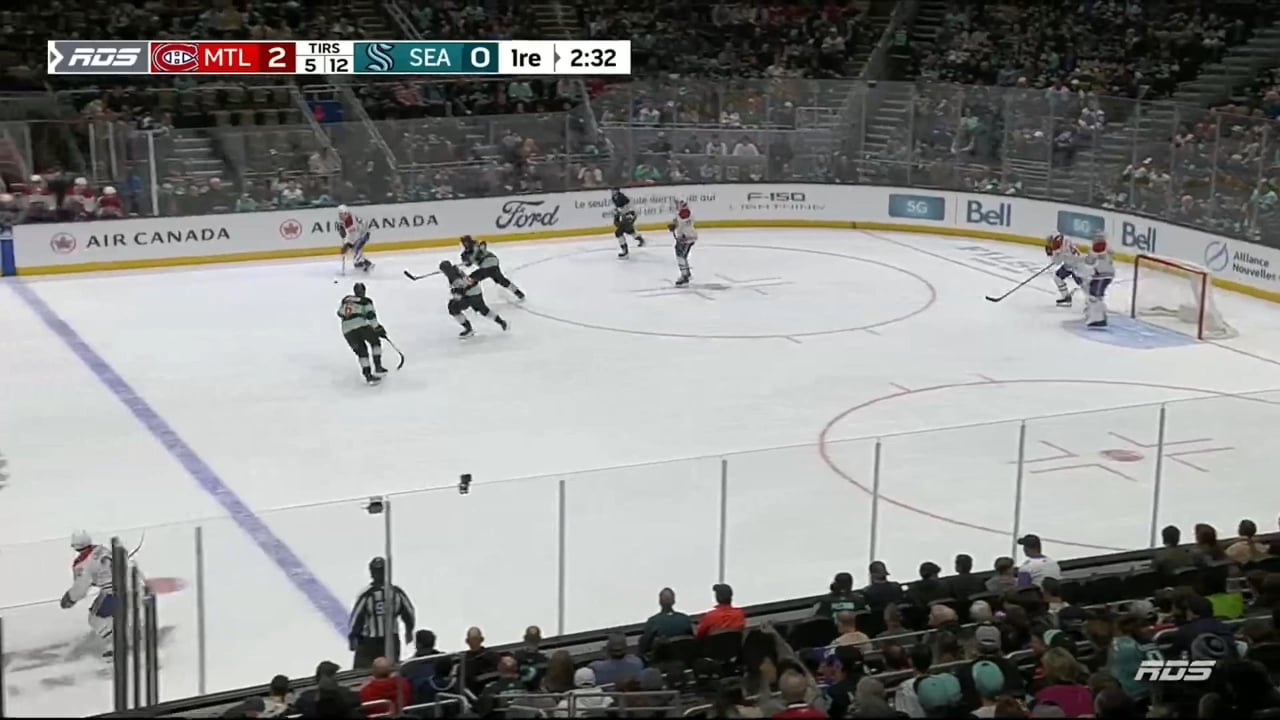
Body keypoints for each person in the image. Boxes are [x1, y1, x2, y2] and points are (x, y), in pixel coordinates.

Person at [347, 557, 416, 668]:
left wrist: (353, 636)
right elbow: (409, 613)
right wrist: (409, 630)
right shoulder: (396, 592)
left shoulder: (367, 594)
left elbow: (356, 618)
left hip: (370, 642)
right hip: (391, 639)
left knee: (364, 671)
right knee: (390, 669)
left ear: (371, 573)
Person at [59, 531, 118, 658]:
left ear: (74, 546)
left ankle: (116, 644)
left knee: (95, 619)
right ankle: (132, 632)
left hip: (111, 591)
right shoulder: (102, 549)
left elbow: (81, 587)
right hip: (131, 584)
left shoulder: (82, 564)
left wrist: (70, 598)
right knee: (112, 614)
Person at [439, 260, 509, 337]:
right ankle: (501, 322)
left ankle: (468, 329)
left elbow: (461, 289)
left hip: (470, 295)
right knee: (483, 310)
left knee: (453, 307)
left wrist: (455, 295)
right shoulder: (456, 270)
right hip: (477, 291)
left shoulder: (453, 276)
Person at [337, 282, 389, 384]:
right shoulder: (366, 301)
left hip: (346, 329)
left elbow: (339, 313)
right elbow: (370, 315)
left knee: (361, 352)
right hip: (361, 325)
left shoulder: (346, 299)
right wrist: (377, 328)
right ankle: (378, 366)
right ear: (364, 291)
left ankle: (368, 375)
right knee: (375, 342)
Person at [461, 235, 525, 300]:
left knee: (470, 280)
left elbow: (483, 244)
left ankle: (465, 297)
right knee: (501, 280)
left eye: (467, 242)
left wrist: (476, 251)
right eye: (464, 242)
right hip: (491, 265)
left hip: (489, 263)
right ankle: (518, 292)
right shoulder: (465, 254)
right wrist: (467, 261)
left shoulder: (476, 245)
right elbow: (468, 264)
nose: (466, 244)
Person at [640, 587, 695, 656]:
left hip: (663, 660)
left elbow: (644, 647)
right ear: (674, 601)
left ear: (660, 602)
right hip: (686, 659)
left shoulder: (653, 621)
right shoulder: (685, 619)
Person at [1080, 232, 1115, 328]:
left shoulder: (1095, 249)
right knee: (1096, 296)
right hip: (1106, 274)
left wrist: (1087, 259)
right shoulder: (1108, 248)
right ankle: (1100, 316)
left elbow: (1089, 262)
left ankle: (1098, 319)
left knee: (1095, 297)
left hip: (1101, 275)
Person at [1044, 232, 1083, 307]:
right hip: (1074, 263)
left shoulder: (1057, 246)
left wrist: (1051, 254)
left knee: (1083, 284)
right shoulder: (1065, 239)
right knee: (1057, 277)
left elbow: (1057, 262)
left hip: (1075, 266)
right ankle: (1066, 298)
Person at [668, 199, 697, 287]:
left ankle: (685, 276)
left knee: (680, 256)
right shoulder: (688, 212)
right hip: (689, 236)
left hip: (685, 237)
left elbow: (682, 219)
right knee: (682, 256)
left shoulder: (683, 213)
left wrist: (674, 225)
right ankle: (686, 273)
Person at [612, 187, 647, 258]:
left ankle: (625, 252)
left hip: (630, 215)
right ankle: (640, 239)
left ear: (617, 191)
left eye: (614, 190)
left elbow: (624, 208)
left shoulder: (621, 197)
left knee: (618, 232)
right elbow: (620, 210)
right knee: (628, 230)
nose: (612, 192)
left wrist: (618, 214)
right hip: (627, 215)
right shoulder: (614, 198)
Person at [338, 204, 374, 272]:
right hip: (360, 235)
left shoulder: (350, 220)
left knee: (356, 250)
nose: (340, 216)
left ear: (345, 213)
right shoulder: (346, 219)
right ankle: (366, 264)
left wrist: (346, 244)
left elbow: (354, 235)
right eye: (339, 214)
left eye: (341, 214)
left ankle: (364, 264)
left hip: (363, 234)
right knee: (355, 251)